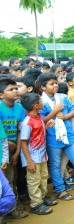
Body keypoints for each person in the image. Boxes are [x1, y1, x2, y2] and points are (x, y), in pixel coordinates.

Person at [38, 73, 74, 201]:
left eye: (55, 83)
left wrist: (64, 116)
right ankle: (60, 189)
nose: (55, 86)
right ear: (43, 87)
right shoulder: (41, 101)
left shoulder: (63, 97)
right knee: (55, 165)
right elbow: (41, 120)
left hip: (68, 134)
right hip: (53, 137)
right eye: (51, 84)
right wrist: (54, 111)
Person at [19, 93, 57, 215]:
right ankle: (36, 204)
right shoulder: (27, 122)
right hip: (32, 158)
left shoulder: (39, 117)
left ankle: (43, 197)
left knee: (43, 176)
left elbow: (37, 134)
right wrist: (29, 161)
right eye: (41, 101)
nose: (43, 103)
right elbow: (24, 143)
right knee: (33, 180)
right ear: (36, 106)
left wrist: (46, 127)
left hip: (41, 155)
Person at [0, 79, 29, 219]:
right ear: (1, 94)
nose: (16, 91)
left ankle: (10, 208)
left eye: (16, 88)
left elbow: (20, 131)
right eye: (11, 89)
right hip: (2, 149)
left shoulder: (20, 109)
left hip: (13, 150)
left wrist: (17, 152)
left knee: (10, 179)